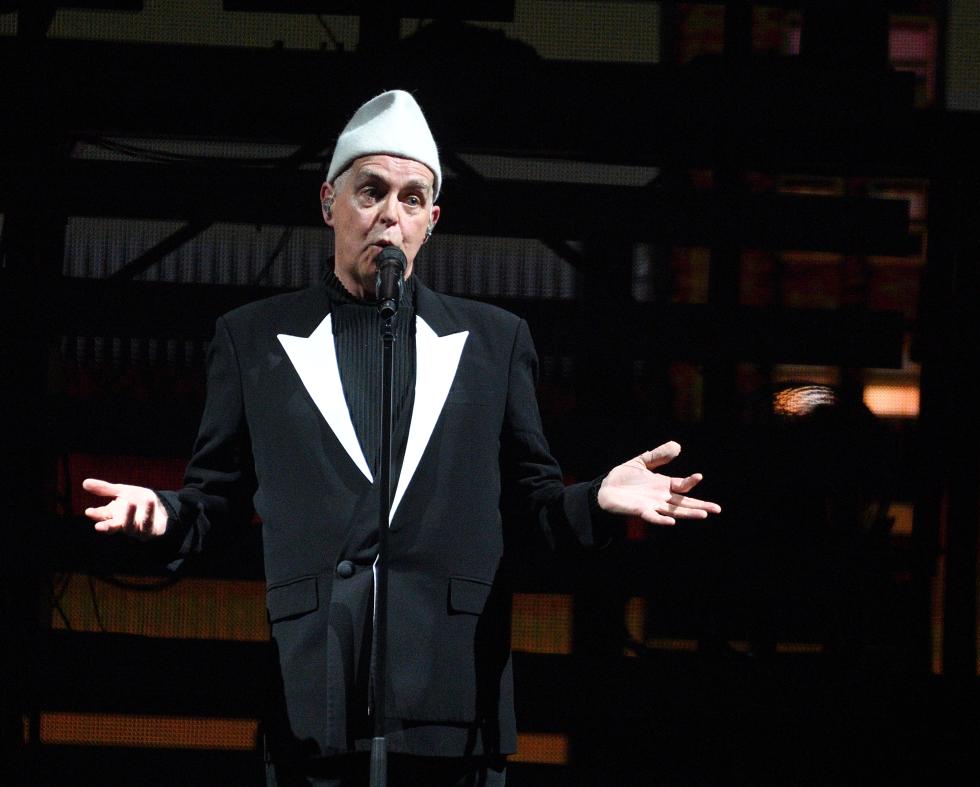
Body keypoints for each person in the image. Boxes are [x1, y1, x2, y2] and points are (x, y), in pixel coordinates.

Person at [82, 90, 721, 786]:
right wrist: (163, 515)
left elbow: (535, 506)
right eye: (372, 191)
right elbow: (215, 502)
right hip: (313, 701)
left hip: (453, 702)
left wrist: (596, 498)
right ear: (330, 202)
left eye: (413, 198)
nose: (391, 214)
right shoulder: (253, 339)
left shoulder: (494, 343)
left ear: (432, 220)